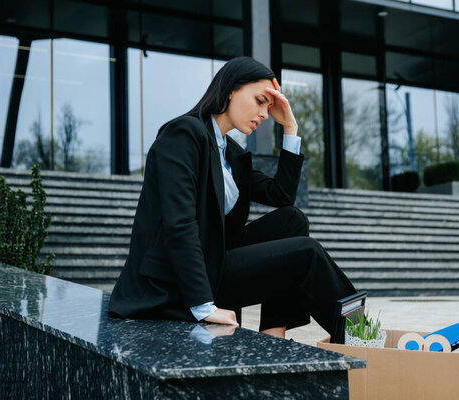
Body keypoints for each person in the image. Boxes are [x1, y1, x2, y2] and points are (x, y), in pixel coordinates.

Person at [108, 56, 357, 339]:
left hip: (213, 264)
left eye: (268, 106)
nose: (264, 114)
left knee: (292, 220)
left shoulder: (231, 153)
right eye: (260, 100)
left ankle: (273, 335)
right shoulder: (183, 134)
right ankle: (360, 336)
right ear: (230, 90)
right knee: (307, 253)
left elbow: (283, 195)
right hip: (175, 282)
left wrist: (290, 128)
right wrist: (203, 306)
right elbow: (179, 223)